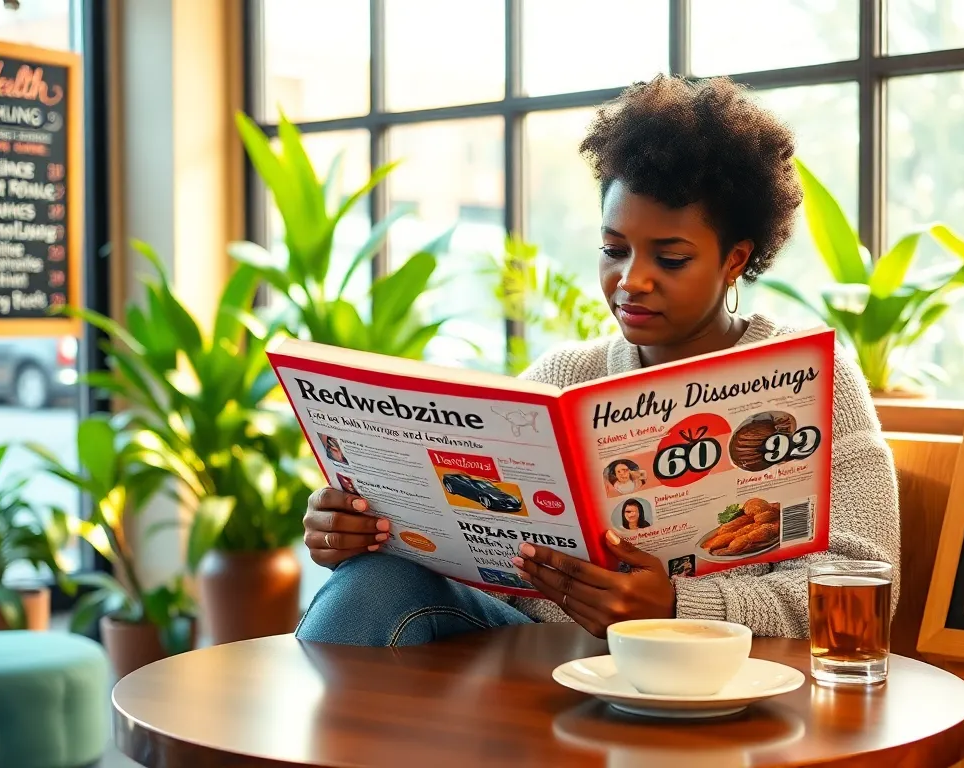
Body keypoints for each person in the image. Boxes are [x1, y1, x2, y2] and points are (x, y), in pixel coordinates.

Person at [295, 74, 900, 647]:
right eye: (614, 249)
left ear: (735, 259)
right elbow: (478, 558)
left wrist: (677, 607)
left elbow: (865, 586)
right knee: (372, 584)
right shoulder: (563, 378)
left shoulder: (811, 380)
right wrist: (360, 530)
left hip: (709, 675)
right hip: (537, 658)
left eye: (670, 258)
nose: (631, 280)